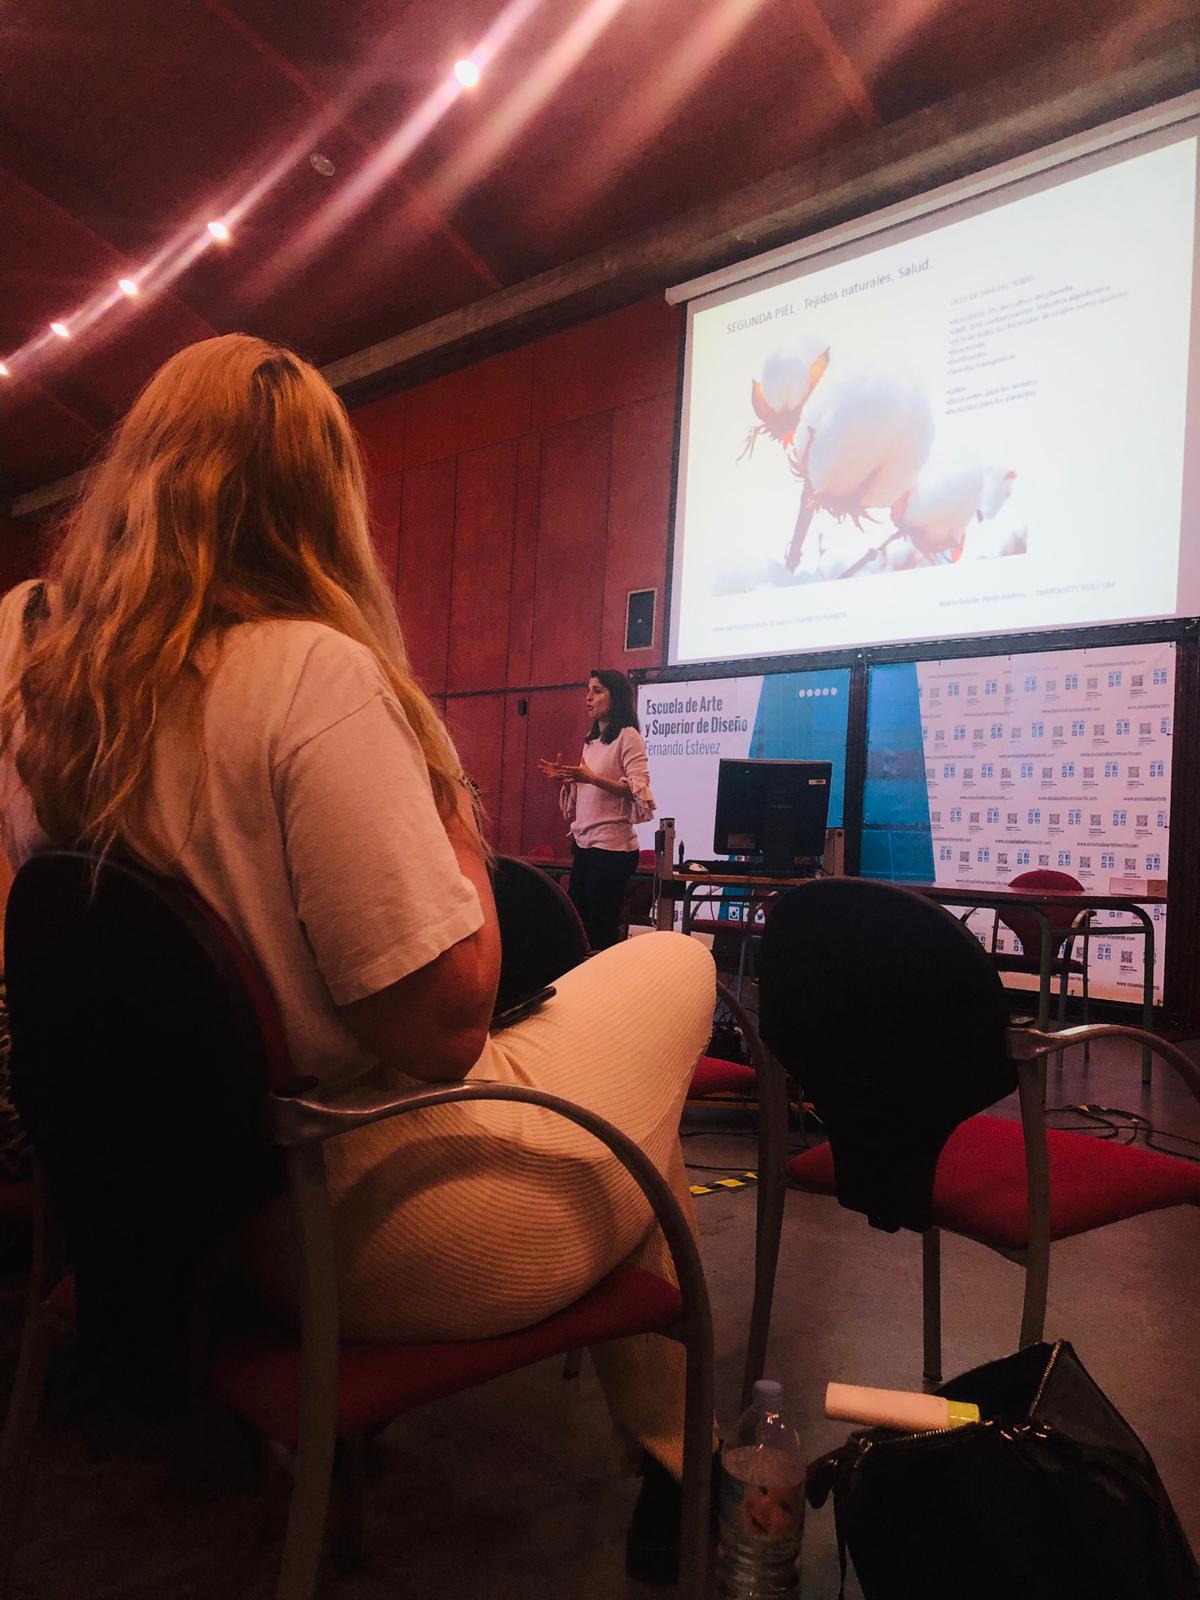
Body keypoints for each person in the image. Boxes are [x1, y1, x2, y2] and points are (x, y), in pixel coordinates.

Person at [0, 335, 714, 1584]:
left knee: (626, 1098)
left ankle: (675, 1458)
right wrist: (445, 797)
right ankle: (684, 1470)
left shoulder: (59, 710)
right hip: (359, 1226)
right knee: (669, 968)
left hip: (162, 1219)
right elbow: (443, 1028)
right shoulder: (313, 673)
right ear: (323, 499)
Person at [539, 669, 654, 950]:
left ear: (617, 697)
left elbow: (638, 789)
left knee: (600, 927)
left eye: (598, 691)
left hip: (612, 848)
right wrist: (568, 779)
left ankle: (604, 976)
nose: (588, 697)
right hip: (585, 844)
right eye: (588, 690)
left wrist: (590, 778)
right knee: (577, 924)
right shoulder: (590, 742)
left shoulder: (628, 736)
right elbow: (589, 789)